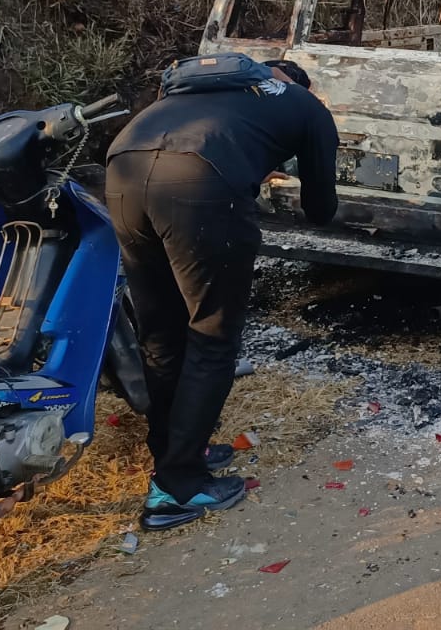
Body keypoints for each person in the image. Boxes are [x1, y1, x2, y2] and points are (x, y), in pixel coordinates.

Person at [106, 57, 339, 530]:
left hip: (122, 168)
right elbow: (320, 211)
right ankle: (177, 488)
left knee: (160, 331)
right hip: (201, 182)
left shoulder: (191, 96)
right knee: (212, 336)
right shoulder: (306, 106)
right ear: (298, 83)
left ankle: (174, 450)